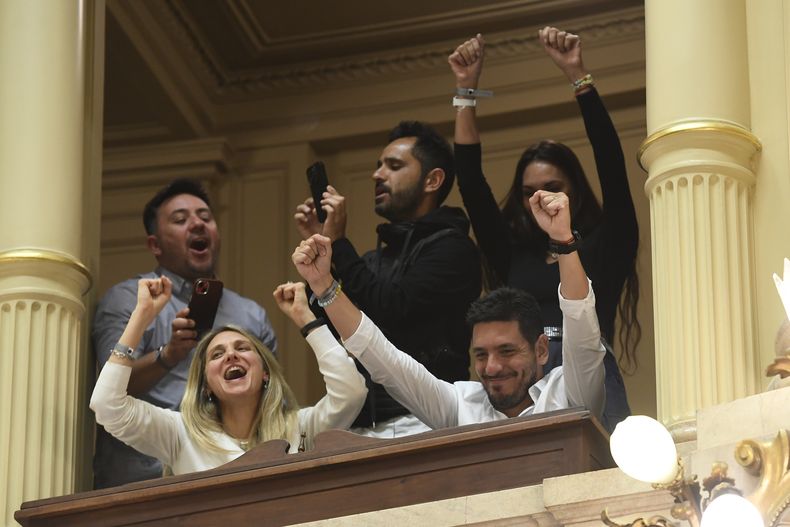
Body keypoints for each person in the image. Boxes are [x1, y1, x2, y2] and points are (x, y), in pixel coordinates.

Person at [447, 28, 639, 431]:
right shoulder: (515, 252)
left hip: (583, 369)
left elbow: (612, 165)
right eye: (529, 192)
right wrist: (466, 90)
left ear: (575, 192)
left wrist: (578, 76)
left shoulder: (607, 243)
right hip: (521, 373)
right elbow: (471, 185)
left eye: (553, 188)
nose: (541, 198)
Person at [290, 189, 605, 428]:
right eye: (481, 354)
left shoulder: (572, 395)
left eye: (506, 351)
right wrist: (324, 286)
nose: (492, 367)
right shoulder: (460, 407)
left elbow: (580, 318)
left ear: (540, 349)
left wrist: (563, 240)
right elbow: (382, 357)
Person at [294, 121, 482, 437]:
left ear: (432, 180)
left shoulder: (454, 249)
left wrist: (339, 244)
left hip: (424, 420)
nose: (377, 175)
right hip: (359, 423)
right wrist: (323, 254)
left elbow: (389, 311)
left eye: (393, 166)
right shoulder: (372, 261)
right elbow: (332, 328)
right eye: (379, 165)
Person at [92, 178, 277, 488]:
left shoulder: (251, 315)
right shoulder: (129, 300)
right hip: (143, 485)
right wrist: (170, 354)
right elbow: (109, 390)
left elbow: (271, 399)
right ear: (155, 245)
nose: (197, 224)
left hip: (231, 478)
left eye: (205, 217)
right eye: (180, 219)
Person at [90, 278, 366, 475]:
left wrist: (307, 320)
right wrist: (141, 316)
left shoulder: (302, 427)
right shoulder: (179, 434)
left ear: (265, 374)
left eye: (243, 348)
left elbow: (351, 393)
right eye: (217, 354)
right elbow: (107, 406)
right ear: (206, 386)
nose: (231, 356)